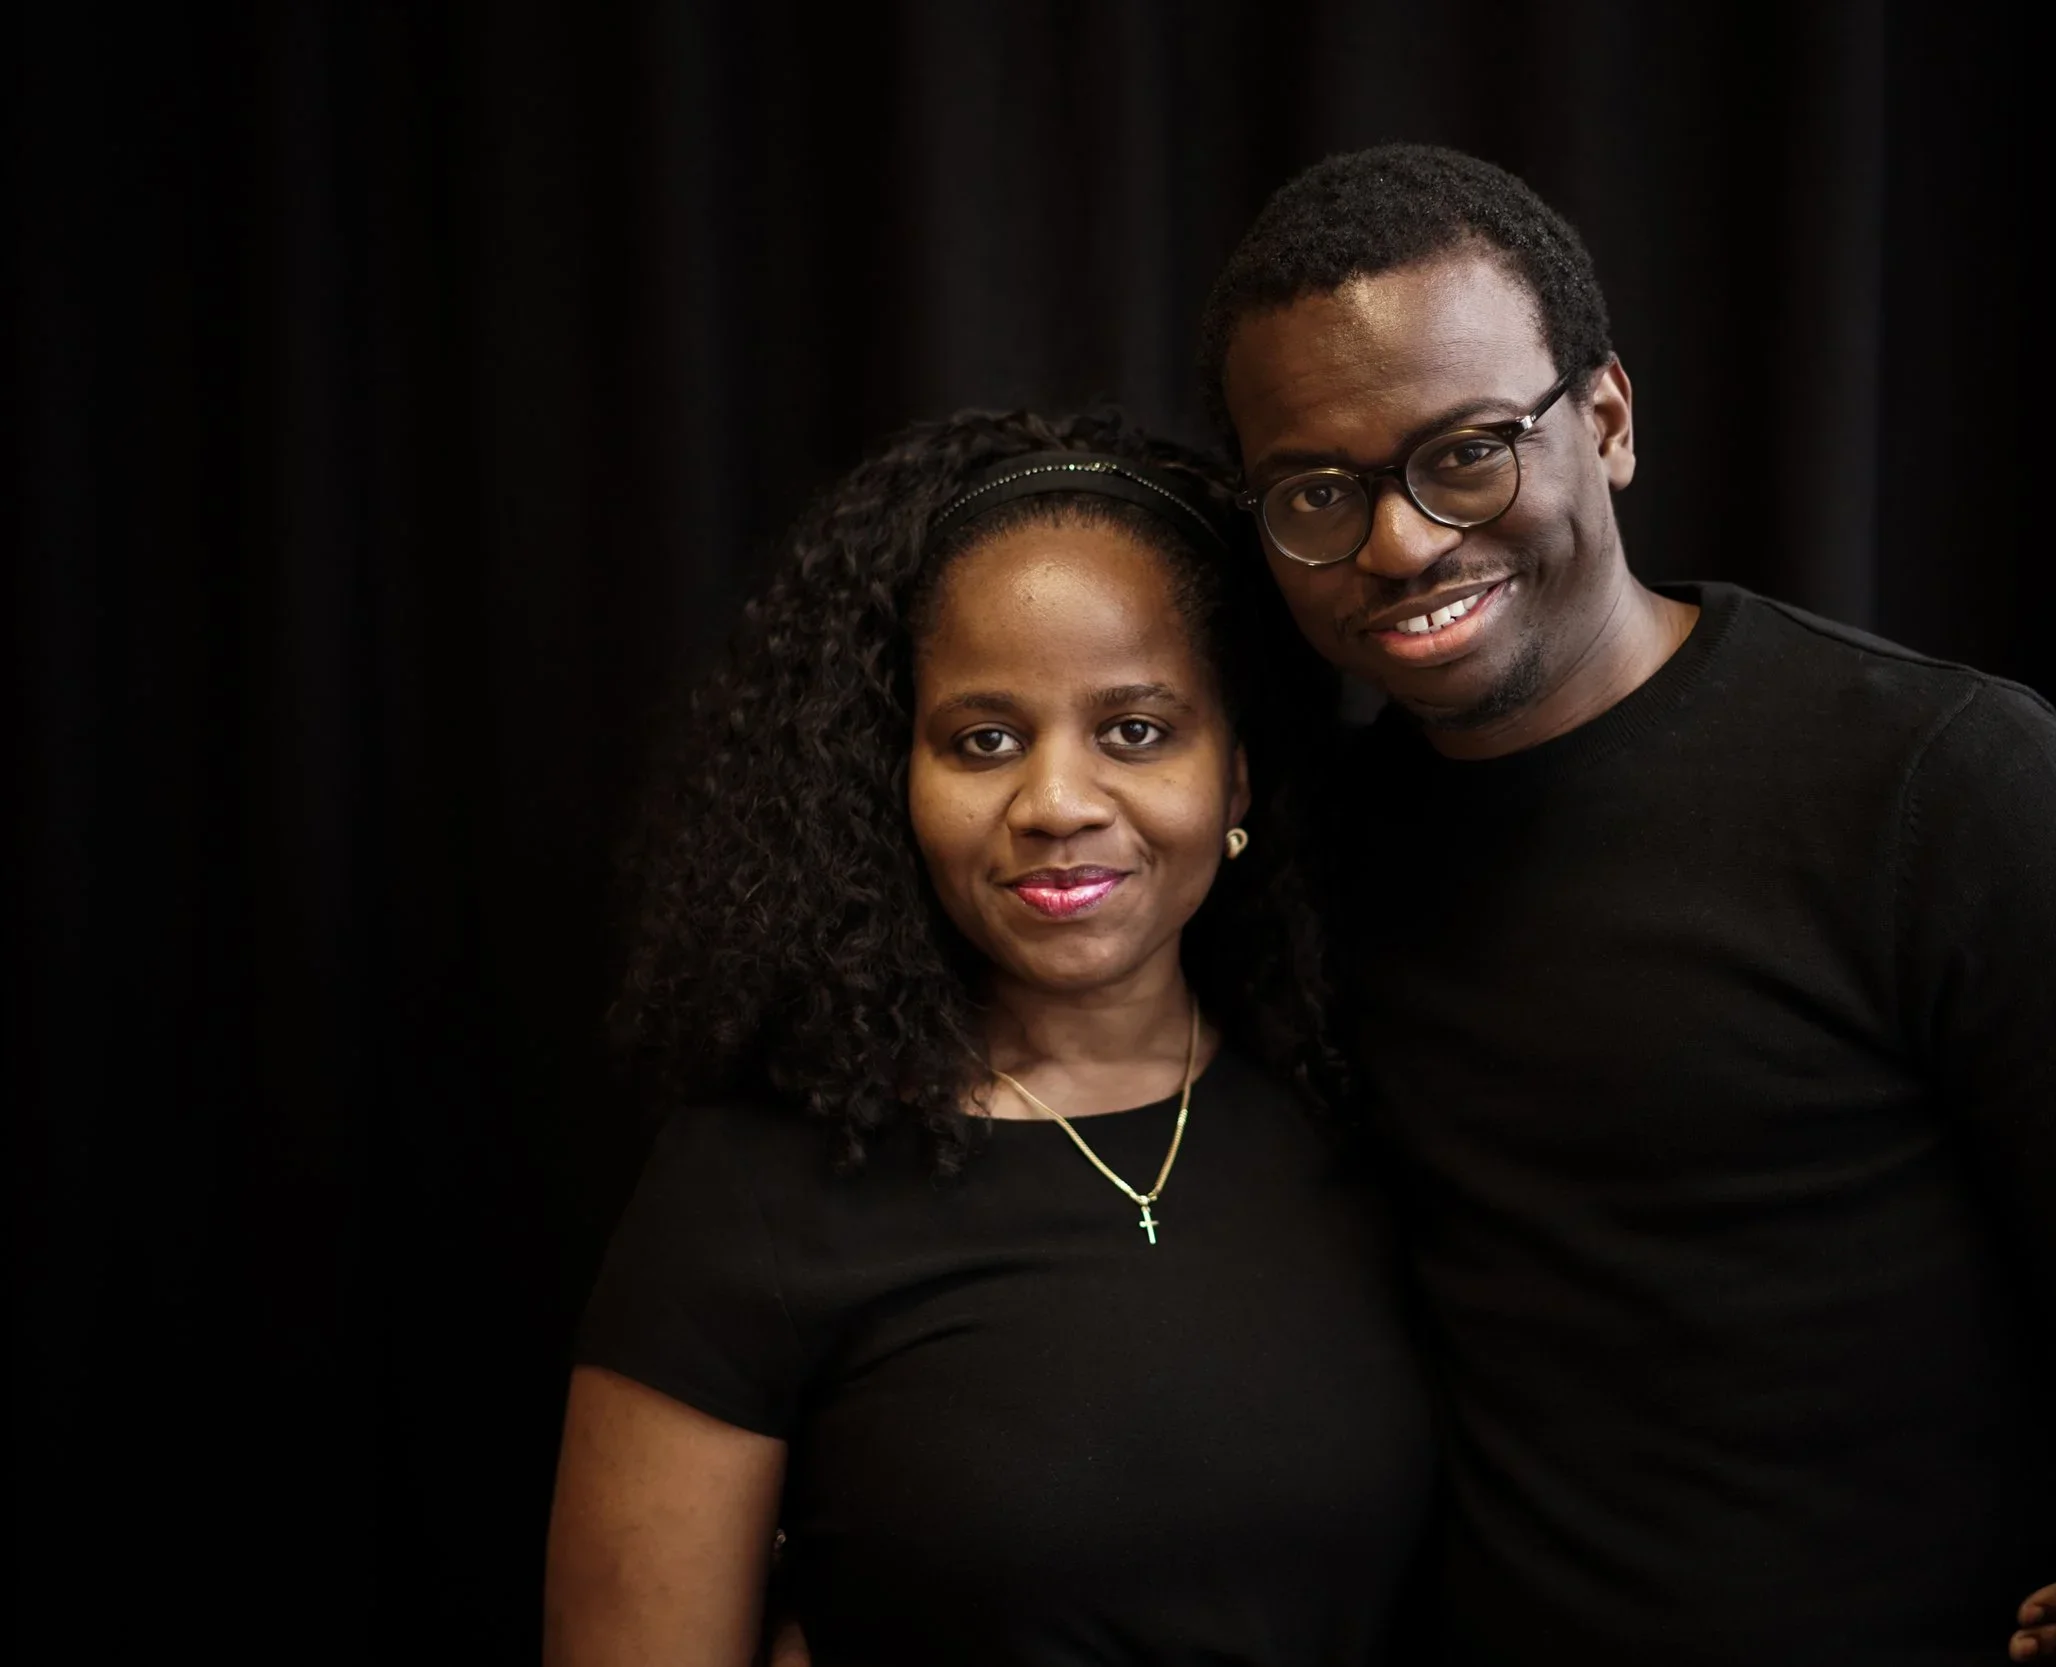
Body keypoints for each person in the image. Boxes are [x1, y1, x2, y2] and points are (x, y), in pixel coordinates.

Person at [1198, 145, 2056, 1664]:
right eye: (1318, 490)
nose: (1401, 539)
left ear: (1605, 420)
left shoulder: (1945, 788)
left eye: (1467, 450)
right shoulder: (1307, 861)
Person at [544, 411, 1437, 1664]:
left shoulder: (1363, 1112)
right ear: (894, 780)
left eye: (1134, 728)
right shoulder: (754, 1184)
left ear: (1235, 776)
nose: (1056, 802)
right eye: (984, 739)